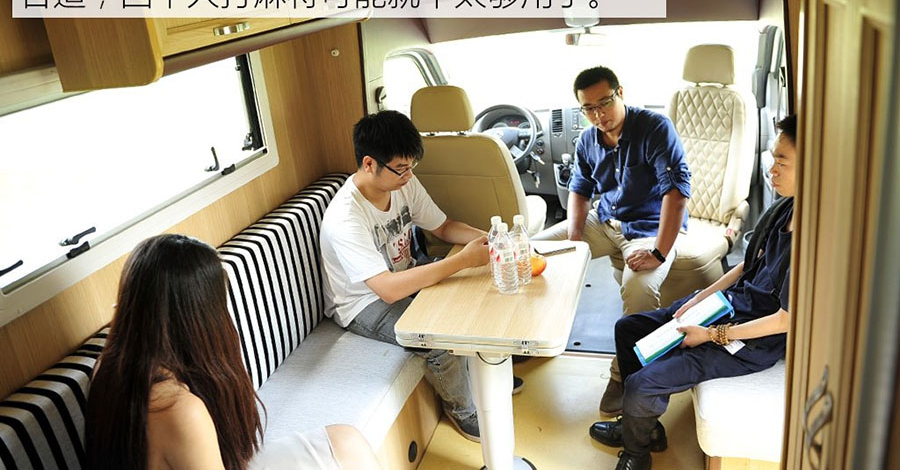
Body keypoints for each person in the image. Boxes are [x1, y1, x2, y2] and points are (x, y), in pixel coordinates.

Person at [589, 115, 798, 470]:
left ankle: (637, 454)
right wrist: (700, 298)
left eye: (782, 161)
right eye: (773, 157)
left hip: (750, 341)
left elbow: (784, 321)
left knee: (642, 385)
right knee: (628, 329)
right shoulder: (784, 208)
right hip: (728, 306)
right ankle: (645, 428)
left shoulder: (815, 242)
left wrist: (711, 334)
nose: (771, 169)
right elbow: (746, 267)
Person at [85, 233, 381, 470]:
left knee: (346, 441)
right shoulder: (179, 410)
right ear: (198, 316)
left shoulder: (111, 364)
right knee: (349, 447)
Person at [320, 110, 492, 442]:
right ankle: (463, 411)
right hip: (363, 303)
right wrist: (462, 260)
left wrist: (490, 238)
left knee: (467, 298)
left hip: (403, 275)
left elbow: (443, 226)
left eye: (412, 165)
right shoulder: (346, 218)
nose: (409, 175)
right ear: (369, 164)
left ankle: (485, 379)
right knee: (436, 337)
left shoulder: (403, 183)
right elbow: (386, 289)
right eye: (401, 168)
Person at [534, 66, 692, 415]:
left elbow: (676, 194)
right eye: (588, 109)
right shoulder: (587, 140)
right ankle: (529, 340)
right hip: (604, 222)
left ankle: (625, 376)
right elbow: (580, 189)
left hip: (649, 228)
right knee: (535, 250)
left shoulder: (654, 128)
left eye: (604, 103)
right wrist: (575, 239)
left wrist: (659, 252)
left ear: (621, 93)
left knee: (639, 289)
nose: (598, 115)